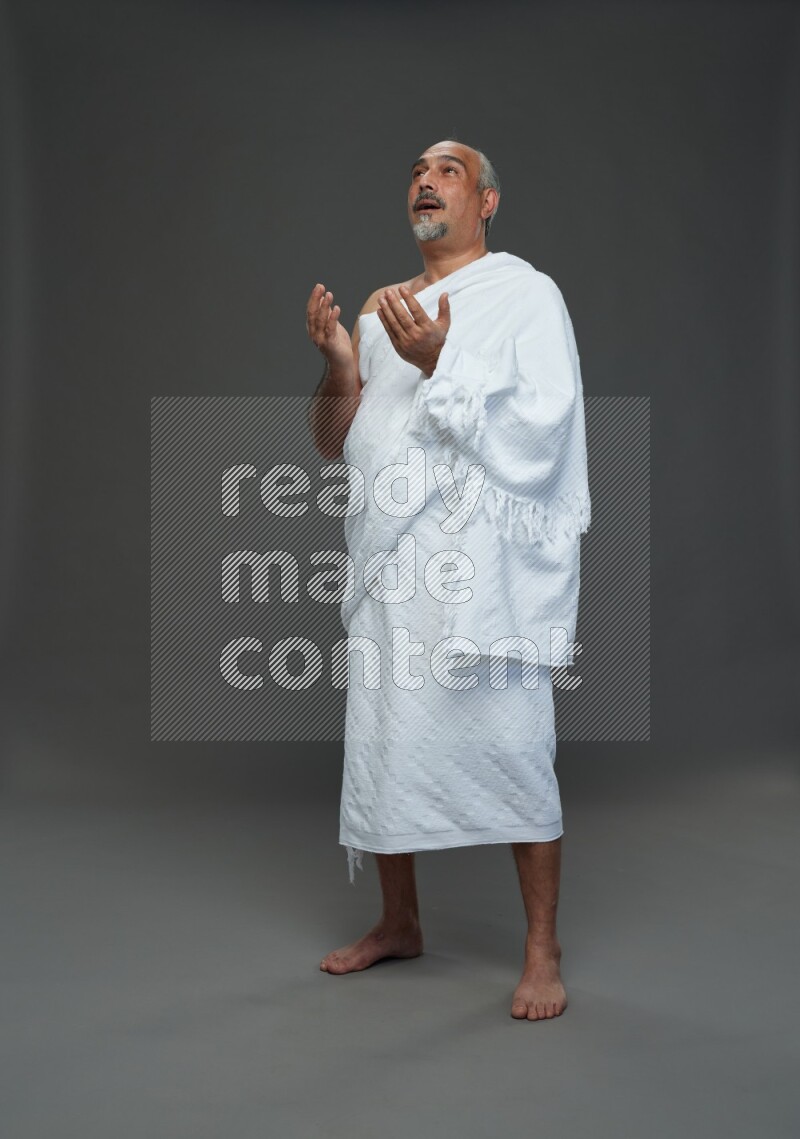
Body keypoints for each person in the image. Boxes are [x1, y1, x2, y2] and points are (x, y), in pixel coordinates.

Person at [305, 139, 591, 1020]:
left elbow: (546, 423)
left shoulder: (526, 296)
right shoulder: (384, 310)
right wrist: (343, 366)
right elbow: (332, 444)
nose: (426, 182)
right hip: (395, 562)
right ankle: (399, 922)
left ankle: (542, 949)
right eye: (418, 172)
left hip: (484, 571)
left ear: (488, 202)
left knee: (513, 745)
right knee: (389, 737)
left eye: (450, 170)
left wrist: (443, 361)